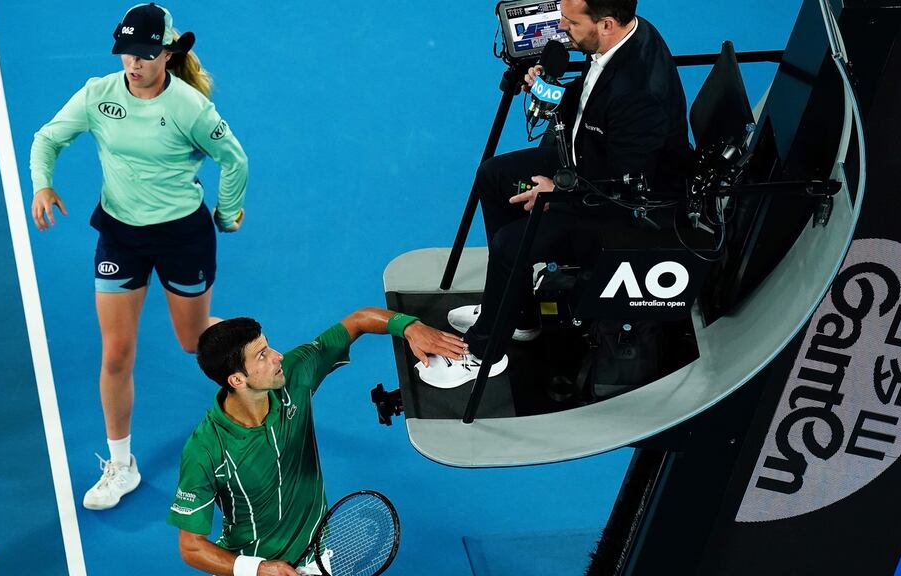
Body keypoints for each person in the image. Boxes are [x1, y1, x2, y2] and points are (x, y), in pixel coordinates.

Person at [28, 3, 249, 510]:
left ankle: (258, 348)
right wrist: (43, 185)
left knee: (194, 342)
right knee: (116, 353)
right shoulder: (97, 94)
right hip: (120, 235)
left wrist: (228, 211)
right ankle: (121, 464)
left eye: (147, 54)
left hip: (181, 237)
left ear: (168, 54)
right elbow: (47, 138)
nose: (135, 63)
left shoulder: (190, 107)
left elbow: (233, 158)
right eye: (128, 52)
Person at [418, 0, 691, 388]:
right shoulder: (623, 36)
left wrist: (559, 191)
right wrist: (551, 95)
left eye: (569, 20)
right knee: (494, 176)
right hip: (589, 163)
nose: (559, 27)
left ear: (607, 23)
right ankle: (520, 315)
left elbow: (626, 183)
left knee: (511, 245)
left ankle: (482, 353)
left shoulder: (640, 93)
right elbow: (591, 110)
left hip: (627, 211)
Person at [168, 308, 466, 576]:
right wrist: (259, 569)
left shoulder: (295, 376)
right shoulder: (206, 450)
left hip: (313, 557)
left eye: (268, 345)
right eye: (262, 355)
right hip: (251, 564)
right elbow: (191, 547)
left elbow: (358, 321)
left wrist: (410, 327)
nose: (278, 356)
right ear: (237, 380)